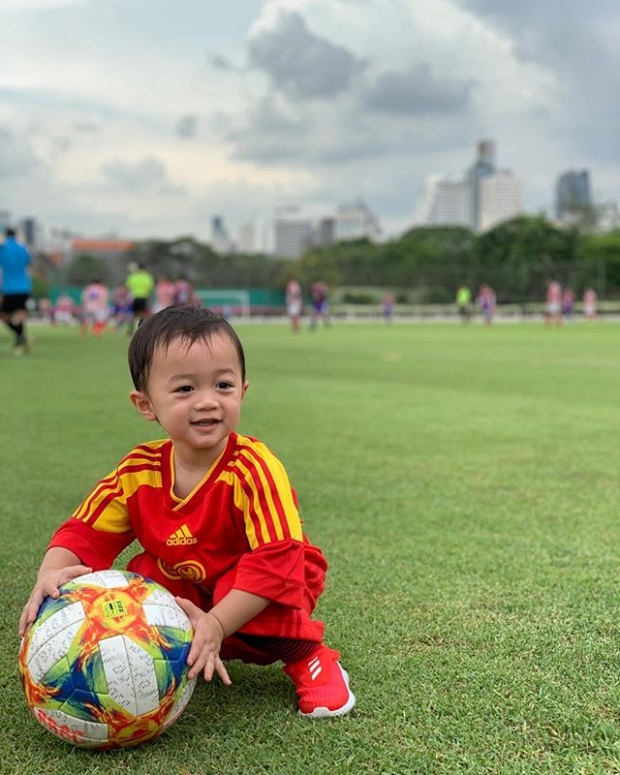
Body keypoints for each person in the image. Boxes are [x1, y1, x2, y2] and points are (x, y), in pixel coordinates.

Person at [18, 305, 355, 719]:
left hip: (266, 580)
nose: (208, 402)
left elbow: (279, 559)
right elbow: (84, 533)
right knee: (142, 579)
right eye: (185, 390)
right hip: (192, 581)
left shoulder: (254, 467)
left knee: (260, 588)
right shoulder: (138, 470)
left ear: (243, 392)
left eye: (223, 384)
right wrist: (51, 574)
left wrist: (216, 622)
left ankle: (309, 657)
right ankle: (168, 664)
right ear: (146, 405)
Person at [0, 227, 33, 355]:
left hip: (9, 287)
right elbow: (28, 262)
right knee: (20, 314)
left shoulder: (3, 249)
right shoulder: (23, 248)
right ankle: (22, 338)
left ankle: (20, 337)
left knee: (4, 315)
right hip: (24, 286)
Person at [125, 262, 155, 335]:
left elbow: (128, 286)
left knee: (134, 314)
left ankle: (130, 331)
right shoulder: (147, 276)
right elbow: (151, 287)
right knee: (143, 314)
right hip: (144, 297)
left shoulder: (133, 276)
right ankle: (142, 329)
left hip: (135, 297)